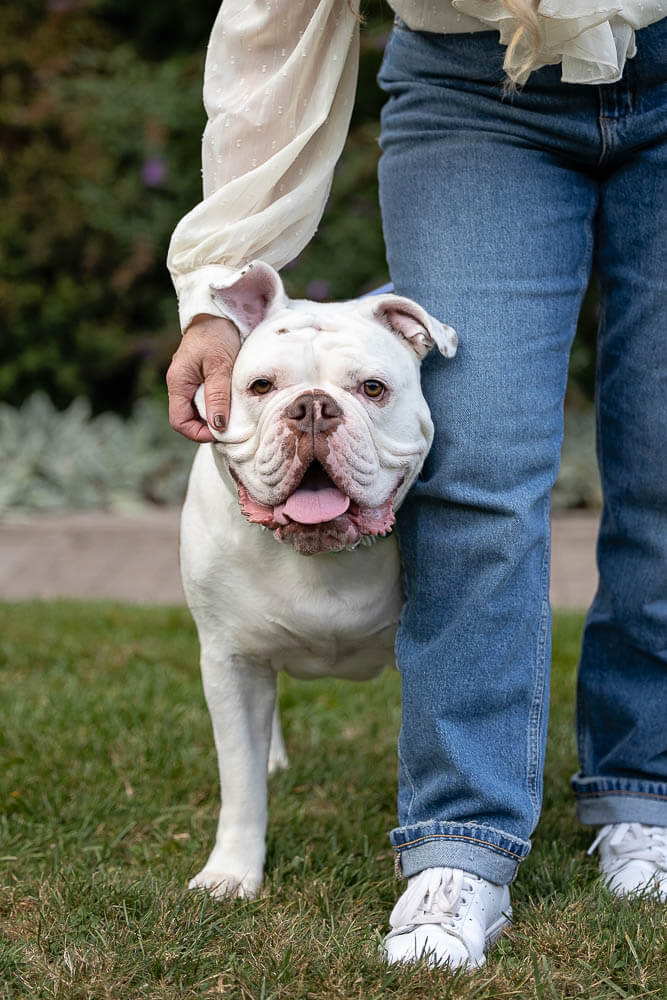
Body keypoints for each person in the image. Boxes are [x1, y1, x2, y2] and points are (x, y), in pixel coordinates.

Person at [166, 0, 667, 970]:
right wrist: (222, 289)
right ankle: (459, 841)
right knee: (471, 468)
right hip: (474, 84)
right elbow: (274, 19)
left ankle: (647, 789)